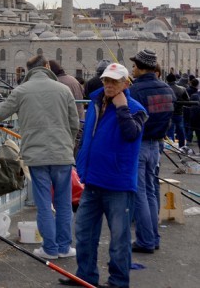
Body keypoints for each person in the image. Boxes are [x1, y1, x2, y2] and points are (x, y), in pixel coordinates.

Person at [0, 55, 79, 260]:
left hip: (36, 156)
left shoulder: (21, 91)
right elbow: (74, 124)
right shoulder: (64, 90)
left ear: (28, 70)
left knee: (43, 202)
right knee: (64, 203)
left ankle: (49, 248)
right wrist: (68, 145)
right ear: (47, 66)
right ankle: (64, 247)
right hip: (62, 155)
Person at [59, 63, 148, 288]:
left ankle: (118, 282)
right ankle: (85, 276)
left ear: (126, 83)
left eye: (115, 81)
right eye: (107, 80)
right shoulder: (96, 103)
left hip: (118, 184)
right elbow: (87, 137)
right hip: (92, 180)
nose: (109, 85)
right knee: (84, 233)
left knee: (119, 239)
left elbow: (132, 134)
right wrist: (81, 165)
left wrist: (122, 108)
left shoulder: (135, 108)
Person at [128, 49, 174, 254]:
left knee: (140, 194)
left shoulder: (135, 91)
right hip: (156, 146)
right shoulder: (166, 89)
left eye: (134, 65)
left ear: (139, 66)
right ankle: (153, 237)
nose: (132, 69)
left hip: (140, 145)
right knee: (151, 192)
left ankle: (146, 240)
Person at [166, 73, 189, 147]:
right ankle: (182, 146)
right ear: (175, 79)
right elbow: (187, 100)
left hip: (168, 112)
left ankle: (171, 147)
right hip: (179, 112)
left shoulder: (165, 88)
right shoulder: (182, 89)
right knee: (181, 130)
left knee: (170, 130)